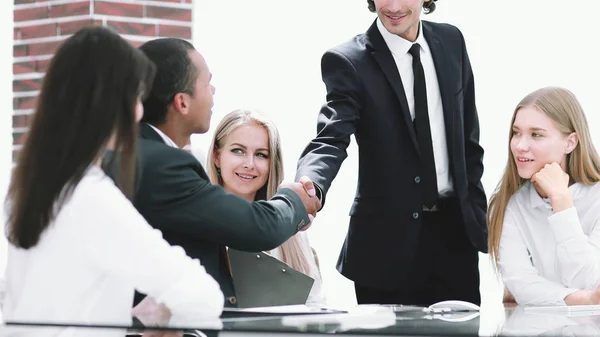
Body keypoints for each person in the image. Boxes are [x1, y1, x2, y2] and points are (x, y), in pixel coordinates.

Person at [2, 26, 224, 335]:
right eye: (135, 96)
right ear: (112, 103)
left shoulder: (26, 185)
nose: (139, 111)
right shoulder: (92, 198)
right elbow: (201, 295)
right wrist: (164, 312)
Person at [295, 0, 487, 306]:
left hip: (456, 238)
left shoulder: (452, 41)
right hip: (385, 248)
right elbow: (331, 135)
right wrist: (310, 183)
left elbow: (468, 138)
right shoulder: (348, 61)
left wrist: (476, 210)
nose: (394, 6)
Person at [128, 38, 320, 307]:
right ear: (182, 102)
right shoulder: (162, 164)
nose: (214, 90)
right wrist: (295, 199)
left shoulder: (136, 152)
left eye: (261, 154)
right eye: (207, 83)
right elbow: (257, 227)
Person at [488, 86, 600, 306]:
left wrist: (562, 203)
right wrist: (583, 299)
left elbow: (588, 278)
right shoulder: (510, 205)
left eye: (536, 134)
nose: (520, 146)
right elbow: (522, 286)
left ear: (570, 142)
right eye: (516, 132)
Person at [206, 109, 327, 306]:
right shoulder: (197, 222)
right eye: (238, 151)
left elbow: (316, 305)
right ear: (216, 157)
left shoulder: (292, 229)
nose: (250, 164)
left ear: (272, 164)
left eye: (261, 155)